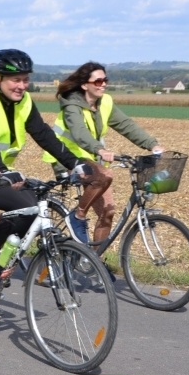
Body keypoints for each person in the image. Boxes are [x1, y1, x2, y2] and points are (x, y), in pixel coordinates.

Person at [0, 49, 97, 320]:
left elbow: (43, 134)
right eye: (15, 80)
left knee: (31, 209)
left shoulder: (23, 102)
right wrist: (1, 170)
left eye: (25, 79)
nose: (22, 85)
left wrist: (74, 163)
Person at [44, 61, 163, 247]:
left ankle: (94, 261)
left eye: (105, 80)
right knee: (105, 175)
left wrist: (152, 145)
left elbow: (126, 125)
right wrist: (100, 150)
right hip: (67, 158)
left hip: (92, 160)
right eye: (98, 81)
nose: (104, 84)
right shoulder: (71, 105)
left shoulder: (105, 102)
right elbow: (79, 133)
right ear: (85, 84)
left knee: (107, 212)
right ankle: (78, 216)